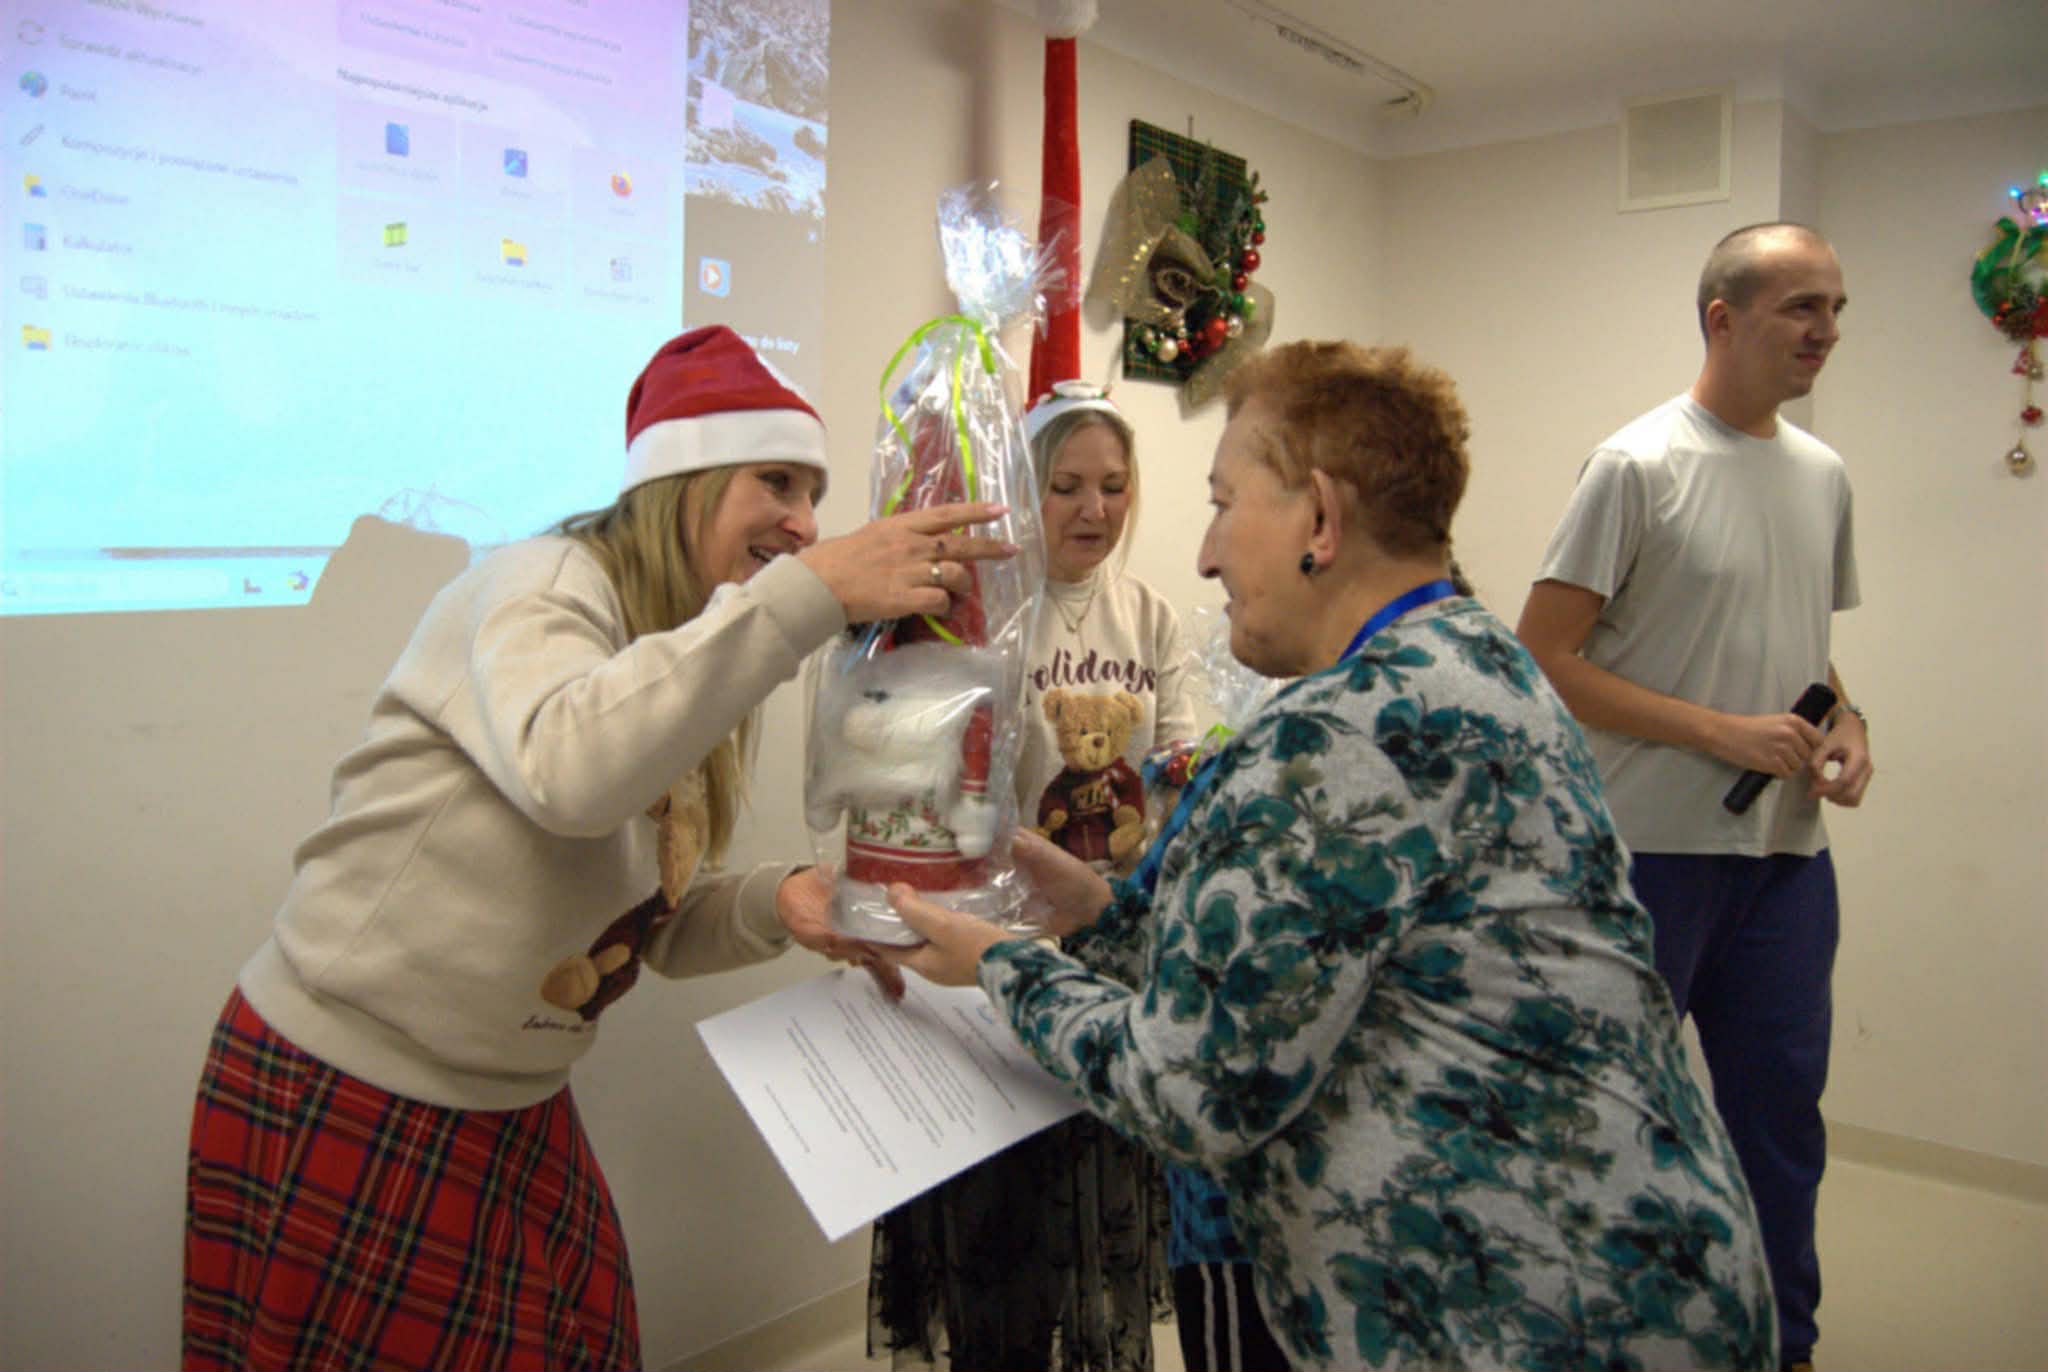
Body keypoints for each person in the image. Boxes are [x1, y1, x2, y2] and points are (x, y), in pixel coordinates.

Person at [875, 340, 1780, 1372]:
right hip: (1647, 1275)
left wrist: (1001, 965)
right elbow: (1298, 968)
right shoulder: (1479, 661)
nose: (1206, 554)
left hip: (1518, 1317)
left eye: (1223, 505)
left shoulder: (1334, 734)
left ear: (1319, 520)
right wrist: (1099, 913)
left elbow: (1192, 1091)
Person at [181, 325, 1015, 1372]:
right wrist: (811, 595)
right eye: (776, 482)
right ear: (683, 481)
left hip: (509, 1103)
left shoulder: (688, 651)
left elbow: (643, 926)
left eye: (814, 493)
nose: (806, 523)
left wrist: (782, 901)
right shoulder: (541, 582)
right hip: (356, 1086)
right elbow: (571, 774)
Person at [1515, 222, 1872, 1372]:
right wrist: (1720, 731)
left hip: (1783, 862)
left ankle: (1779, 1342)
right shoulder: (1636, 466)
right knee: (1607, 1118)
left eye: (1834, 308)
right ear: (1722, 317)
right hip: (1644, 858)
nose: (1824, 330)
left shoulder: (1820, 476)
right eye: (1801, 306)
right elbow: (1543, 658)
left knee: (1778, 1120)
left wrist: (1847, 723)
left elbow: (1797, 645)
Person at [868, 381, 1195, 1372]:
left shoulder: (1149, 615)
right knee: (1000, 1243)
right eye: (1065, 486)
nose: (1095, 509)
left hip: (1108, 959)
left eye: (1113, 485)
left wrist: (1180, 784)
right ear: (1023, 490)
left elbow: (1179, 759)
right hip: (993, 966)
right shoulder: (983, 615)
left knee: (1093, 1235)